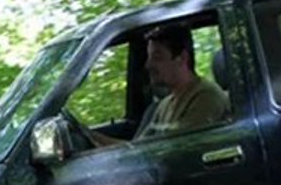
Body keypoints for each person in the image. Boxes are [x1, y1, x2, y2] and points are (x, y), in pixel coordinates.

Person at [88, 24, 228, 146]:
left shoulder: (206, 97)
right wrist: (89, 136)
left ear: (182, 58)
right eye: (149, 57)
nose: (148, 65)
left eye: (157, 57)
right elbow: (137, 150)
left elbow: (182, 152)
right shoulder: (163, 105)